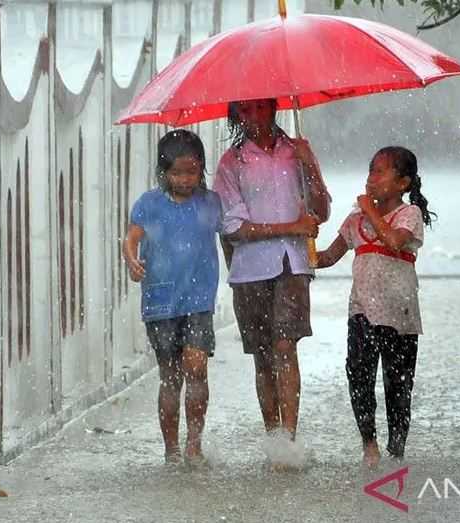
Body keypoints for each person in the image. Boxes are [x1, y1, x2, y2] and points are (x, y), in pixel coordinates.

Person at [213, 98, 330, 466]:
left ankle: (290, 439)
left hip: (292, 265)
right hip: (249, 270)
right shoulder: (231, 164)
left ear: (275, 107)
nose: (254, 118)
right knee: (263, 356)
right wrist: (289, 227)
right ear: (237, 116)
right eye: (245, 112)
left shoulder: (297, 153)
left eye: (260, 108)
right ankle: (273, 437)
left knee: (285, 346)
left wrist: (309, 164)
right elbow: (234, 227)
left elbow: (321, 211)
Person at [316, 146, 434, 468]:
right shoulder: (355, 221)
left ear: (403, 183)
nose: (372, 179)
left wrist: (370, 210)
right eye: (370, 171)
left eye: (381, 172)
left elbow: (394, 241)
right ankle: (369, 443)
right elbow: (326, 258)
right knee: (359, 375)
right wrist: (305, 240)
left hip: (399, 315)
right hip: (362, 311)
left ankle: (397, 449)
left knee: (398, 384)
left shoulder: (409, 215)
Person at [122, 129, 222, 466]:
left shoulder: (210, 203)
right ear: (163, 172)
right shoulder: (149, 204)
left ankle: (194, 443)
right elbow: (131, 239)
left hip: (198, 298)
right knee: (170, 375)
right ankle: (171, 450)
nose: (184, 179)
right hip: (161, 300)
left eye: (192, 171)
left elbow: (230, 237)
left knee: (196, 367)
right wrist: (133, 262)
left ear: (202, 169)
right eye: (177, 172)